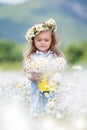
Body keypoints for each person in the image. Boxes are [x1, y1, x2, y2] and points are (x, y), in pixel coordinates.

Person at [23, 19, 66, 118]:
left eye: (46, 40)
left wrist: (54, 76)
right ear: (33, 41)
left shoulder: (55, 56)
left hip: (52, 88)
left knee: (51, 109)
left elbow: (61, 72)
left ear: (52, 41)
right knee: (37, 108)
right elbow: (27, 73)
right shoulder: (32, 56)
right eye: (39, 40)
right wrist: (32, 77)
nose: (43, 42)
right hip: (37, 89)